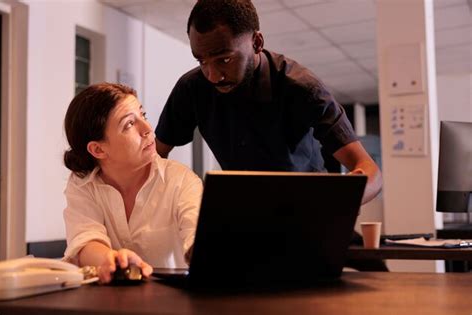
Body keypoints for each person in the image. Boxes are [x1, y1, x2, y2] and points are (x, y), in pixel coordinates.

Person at [155, 0, 382, 205]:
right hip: (245, 214)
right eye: (202, 61)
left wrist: (335, 200)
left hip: (308, 212)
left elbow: (370, 172)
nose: (213, 76)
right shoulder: (192, 88)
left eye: (224, 59)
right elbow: (153, 159)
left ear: (257, 42)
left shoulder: (303, 89)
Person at [62, 83, 203, 283]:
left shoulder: (181, 180)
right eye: (129, 124)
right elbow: (85, 240)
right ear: (98, 150)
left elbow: (196, 233)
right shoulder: (82, 184)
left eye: (143, 116)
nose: (147, 129)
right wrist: (111, 259)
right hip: (110, 303)